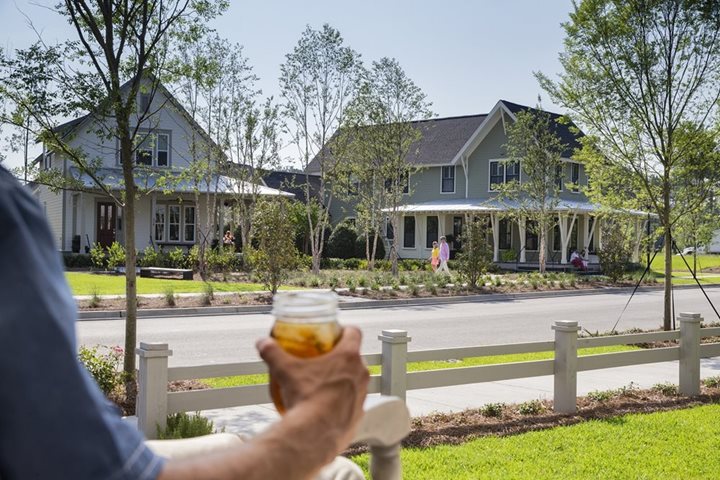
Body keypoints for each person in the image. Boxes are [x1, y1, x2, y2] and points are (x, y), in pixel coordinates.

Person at [0, 165, 369, 480]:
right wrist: (301, 443)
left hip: (84, 446)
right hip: (82, 460)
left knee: (229, 442)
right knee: (340, 473)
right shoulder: (7, 212)